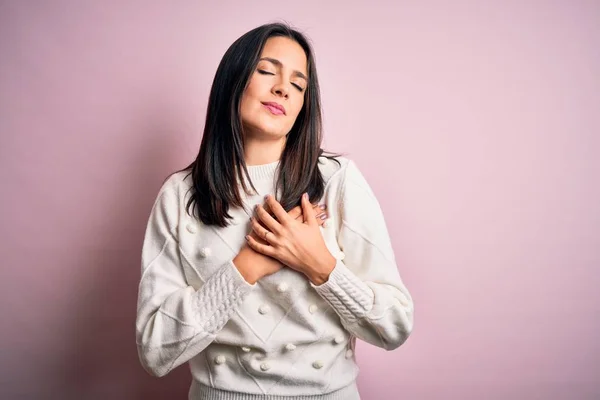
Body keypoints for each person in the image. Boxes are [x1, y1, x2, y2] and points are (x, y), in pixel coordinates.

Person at [135, 22, 414, 400]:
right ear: (233, 80)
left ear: (302, 106)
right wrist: (246, 267)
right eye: (267, 71)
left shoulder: (337, 181)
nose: (283, 88)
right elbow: (154, 351)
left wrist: (320, 265)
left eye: (298, 85)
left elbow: (395, 325)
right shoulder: (179, 196)